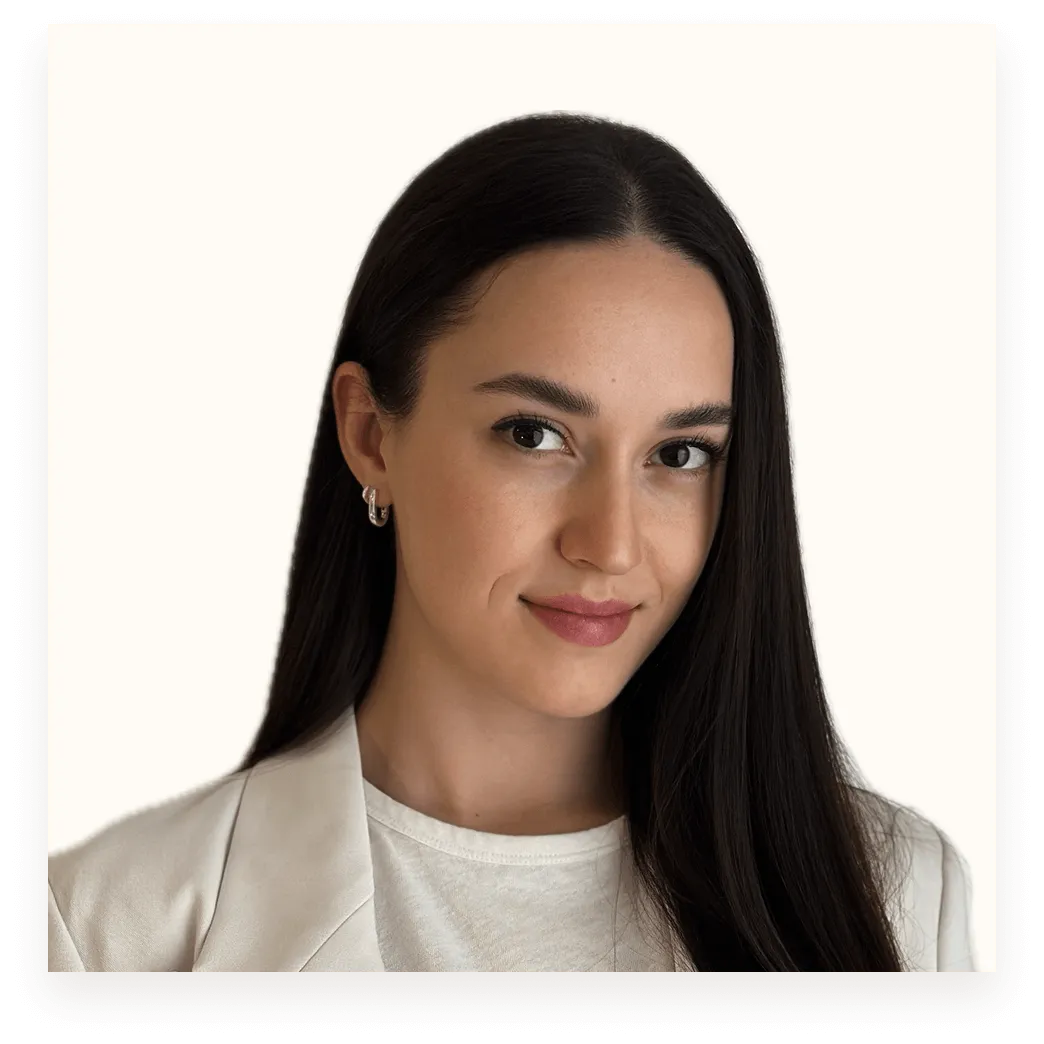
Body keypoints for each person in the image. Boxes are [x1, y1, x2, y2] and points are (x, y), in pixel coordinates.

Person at [47, 112, 977, 973]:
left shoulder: (897, 900)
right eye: (535, 434)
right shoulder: (106, 930)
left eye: (680, 453)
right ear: (371, 433)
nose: (610, 545)